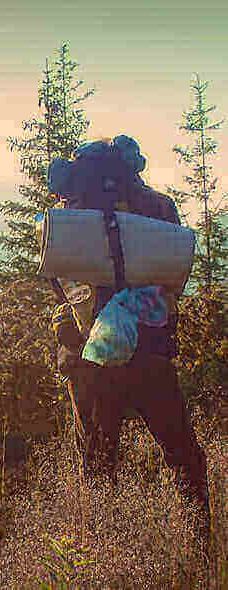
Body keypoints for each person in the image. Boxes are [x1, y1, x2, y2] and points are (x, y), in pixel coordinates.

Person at [47, 136, 212, 555]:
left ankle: (101, 558)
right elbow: (176, 276)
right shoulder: (158, 208)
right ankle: (201, 550)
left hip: (89, 360)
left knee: (98, 462)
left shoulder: (71, 217)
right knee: (182, 454)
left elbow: (58, 281)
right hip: (150, 351)